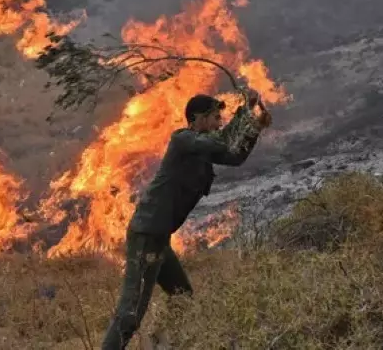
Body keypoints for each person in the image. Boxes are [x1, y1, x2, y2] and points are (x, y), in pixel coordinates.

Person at [101, 89, 272, 350]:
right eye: (215, 117)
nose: (218, 123)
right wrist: (246, 113)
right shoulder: (183, 140)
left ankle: (163, 343)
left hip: (159, 238)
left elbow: (235, 157)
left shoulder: (203, 148)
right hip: (147, 234)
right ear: (198, 118)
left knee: (182, 295)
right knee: (131, 313)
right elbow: (223, 142)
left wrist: (254, 128)